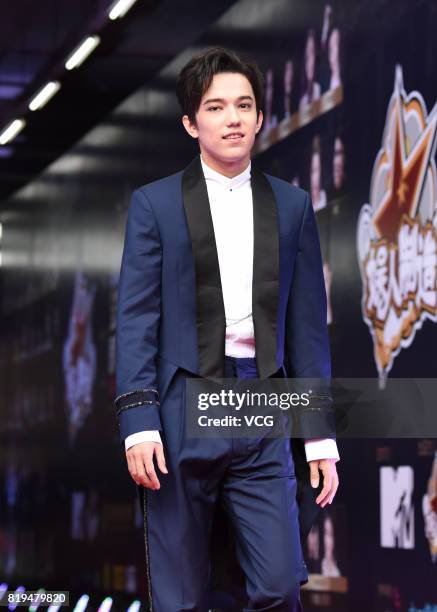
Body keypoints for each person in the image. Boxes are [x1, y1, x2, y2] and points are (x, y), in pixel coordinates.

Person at [115, 46, 340, 611]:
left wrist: (320, 432)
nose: (233, 118)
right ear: (191, 123)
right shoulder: (156, 204)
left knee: (278, 584)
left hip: (261, 399)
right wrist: (139, 423)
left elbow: (308, 326)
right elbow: (137, 318)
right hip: (183, 402)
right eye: (216, 107)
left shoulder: (291, 207)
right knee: (181, 595)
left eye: (245, 105)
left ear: (261, 117)